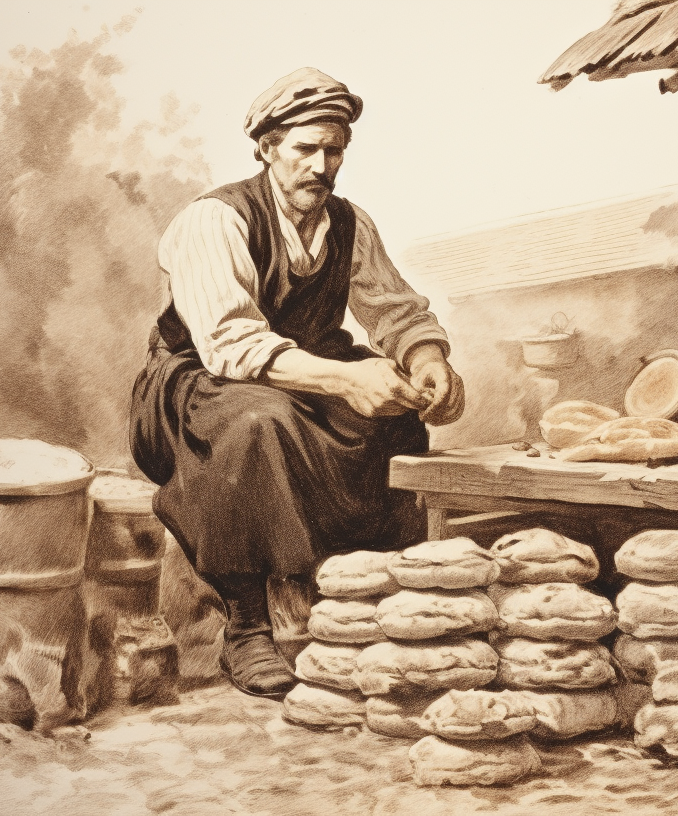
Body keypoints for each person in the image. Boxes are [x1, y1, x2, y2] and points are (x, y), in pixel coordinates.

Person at [130, 67, 464, 699]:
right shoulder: (216, 219)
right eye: (304, 149)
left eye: (332, 150)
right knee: (260, 423)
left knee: (392, 418)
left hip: (301, 378)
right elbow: (231, 346)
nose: (320, 165)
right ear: (267, 148)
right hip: (195, 386)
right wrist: (346, 378)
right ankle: (247, 626)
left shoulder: (348, 223)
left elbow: (394, 310)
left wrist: (426, 360)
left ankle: (372, 599)